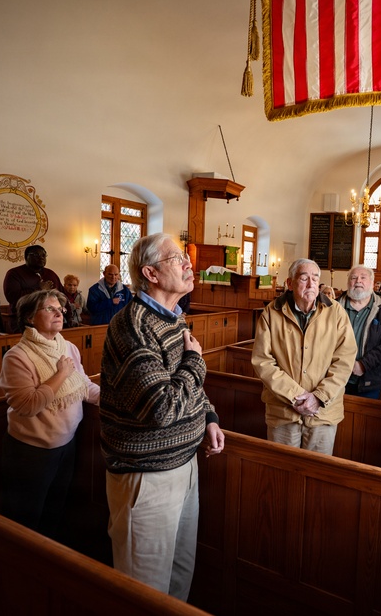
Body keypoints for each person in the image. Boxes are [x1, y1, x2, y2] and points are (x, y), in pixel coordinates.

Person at [99, 233, 224, 601]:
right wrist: (195, 361)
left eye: (186, 256)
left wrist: (210, 415)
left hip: (184, 466)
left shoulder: (175, 319)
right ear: (150, 273)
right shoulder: (133, 325)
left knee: (179, 576)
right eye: (177, 258)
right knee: (145, 589)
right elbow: (162, 408)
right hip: (147, 477)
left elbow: (187, 388)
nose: (189, 264)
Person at [0, 289, 100, 540]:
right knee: (26, 519)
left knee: (54, 510)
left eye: (60, 309)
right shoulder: (17, 356)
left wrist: (117, 400)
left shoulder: (68, 347)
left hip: (67, 444)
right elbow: (28, 405)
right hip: (32, 450)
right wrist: (61, 374)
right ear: (30, 318)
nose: (59, 313)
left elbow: (84, 386)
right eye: (50, 309)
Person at [251, 258, 357, 455]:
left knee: (317, 475)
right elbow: (262, 361)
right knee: (282, 473)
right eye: (304, 278)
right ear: (289, 283)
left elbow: (345, 359)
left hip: (323, 413)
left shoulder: (336, 313)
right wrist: (295, 396)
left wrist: (318, 397)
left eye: (315, 279)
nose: (311, 284)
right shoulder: (271, 313)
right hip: (284, 414)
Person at [337, 266, 381, 399]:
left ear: (372, 283)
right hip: (335, 379)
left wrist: (363, 365)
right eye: (353, 278)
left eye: (363, 277)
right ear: (348, 283)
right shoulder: (334, 307)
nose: (358, 281)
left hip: (370, 380)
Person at [3, 244, 64, 315]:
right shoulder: (14, 273)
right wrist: (39, 289)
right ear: (26, 257)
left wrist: (69, 317)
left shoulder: (51, 274)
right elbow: (13, 299)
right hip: (23, 318)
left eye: (43, 255)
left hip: (51, 317)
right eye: (36, 255)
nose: (41, 258)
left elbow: (63, 295)